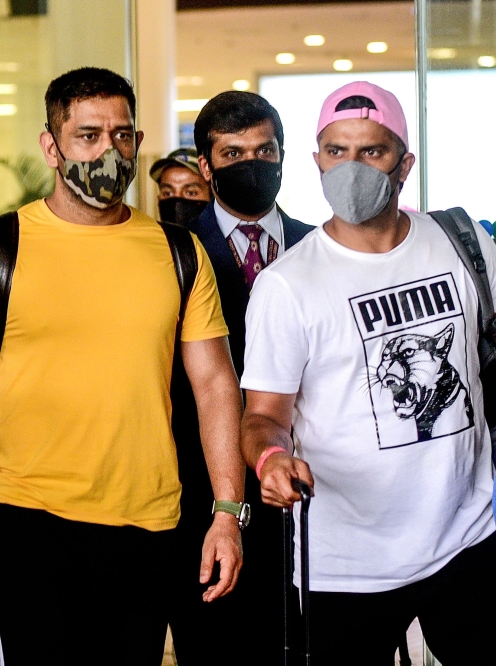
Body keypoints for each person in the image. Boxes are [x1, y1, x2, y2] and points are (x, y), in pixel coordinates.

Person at [239, 82, 496, 665]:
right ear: (316, 160)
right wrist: (270, 460)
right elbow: (264, 415)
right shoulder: (286, 285)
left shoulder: (459, 240)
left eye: (371, 151)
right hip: (347, 566)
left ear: (405, 163)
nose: (350, 167)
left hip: (471, 539)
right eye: (335, 150)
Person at [0, 67, 245, 666]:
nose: (108, 152)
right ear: (52, 146)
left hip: (151, 522)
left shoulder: (178, 251)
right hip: (30, 524)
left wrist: (227, 512)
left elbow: (215, 386)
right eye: (88, 136)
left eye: (121, 136)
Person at [159, 92, 314, 665]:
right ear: (206, 165)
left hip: (313, 486)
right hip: (203, 496)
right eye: (233, 153)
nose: (253, 163)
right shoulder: (168, 254)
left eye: (264, 150)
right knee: (217, 647)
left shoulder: (320, 246)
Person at [150, 148, 210, 228]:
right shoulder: (149, 239)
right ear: (158, 199)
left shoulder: (226, 239)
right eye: (168, 193)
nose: (177, 201)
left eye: (191, 193)